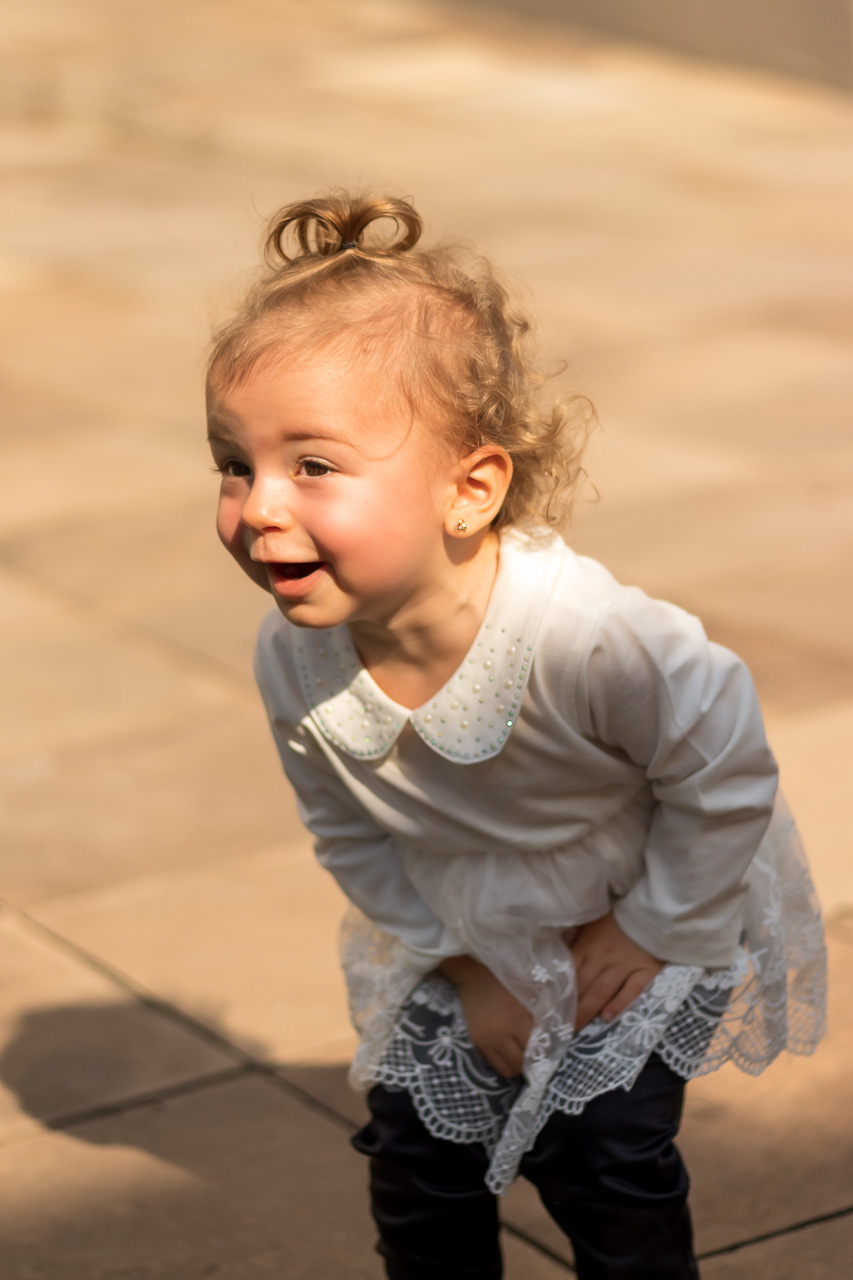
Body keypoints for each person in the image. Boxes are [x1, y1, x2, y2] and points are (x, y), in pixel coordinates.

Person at [206, 192, 827, 1280]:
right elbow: (344, 828)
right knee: (416, 1153)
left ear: (470, 486)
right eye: (233, 462)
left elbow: (723, 773)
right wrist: (459, 960)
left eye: (311, 465)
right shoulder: (290, 656)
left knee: (604, 1153)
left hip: (633, 902)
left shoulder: (592, 642)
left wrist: (651, 927)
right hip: (455, 913)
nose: (258, 506)